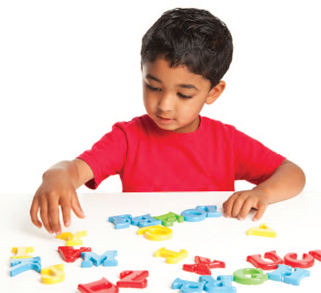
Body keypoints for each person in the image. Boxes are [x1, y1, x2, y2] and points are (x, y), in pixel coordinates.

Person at [30, 8, 305, 235]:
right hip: (145, 254)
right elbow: (75, 171)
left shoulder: (227, 142)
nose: (163, 104)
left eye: (184, 94)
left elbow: (293, 173)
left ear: (213, 92)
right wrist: (57, 175)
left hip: (214, 254)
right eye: (153, 86)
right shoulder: (127, 138)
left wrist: (263, 194)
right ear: (142, 73)